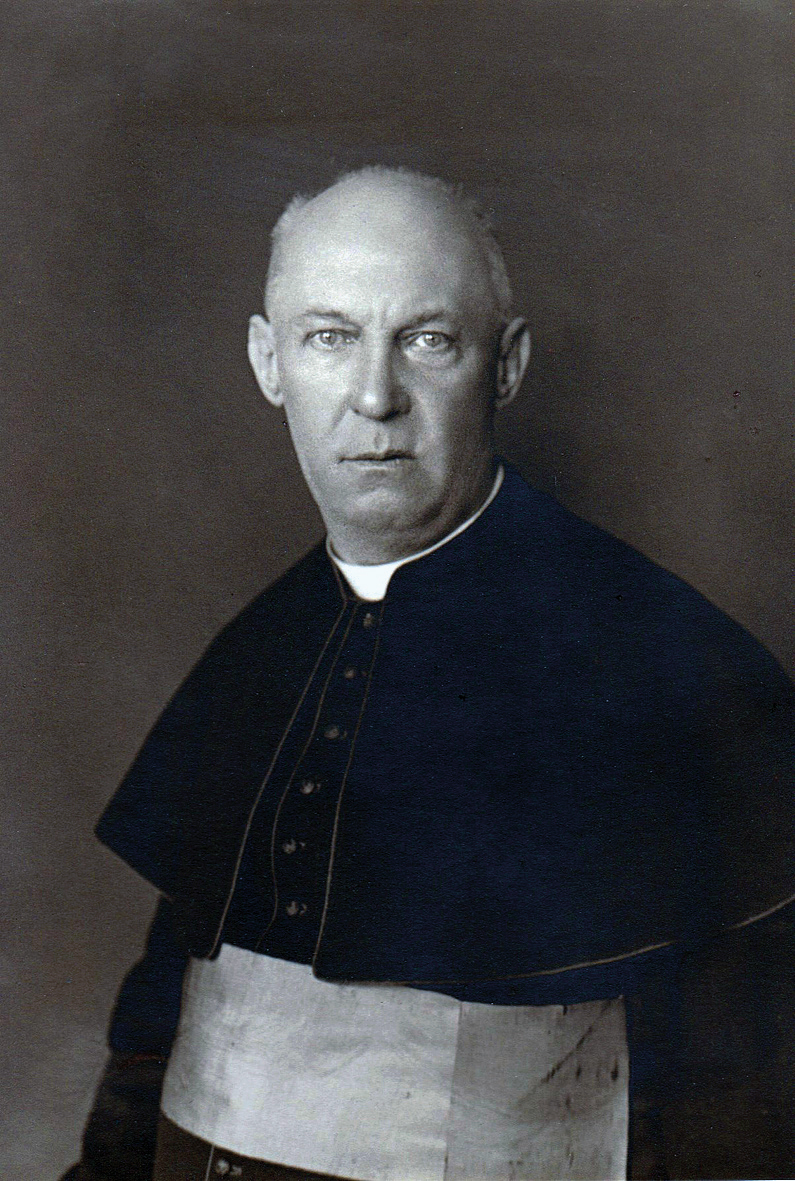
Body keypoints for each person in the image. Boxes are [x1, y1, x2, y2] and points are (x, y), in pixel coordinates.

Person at [66, 166, 795, 1181]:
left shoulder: (672, 660)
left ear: (506, 364)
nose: (375, 397)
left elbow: (748, 1091)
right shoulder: (254, 651)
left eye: (426, 339)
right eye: (330, 337)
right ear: (269, 363)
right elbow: (155, 1028)